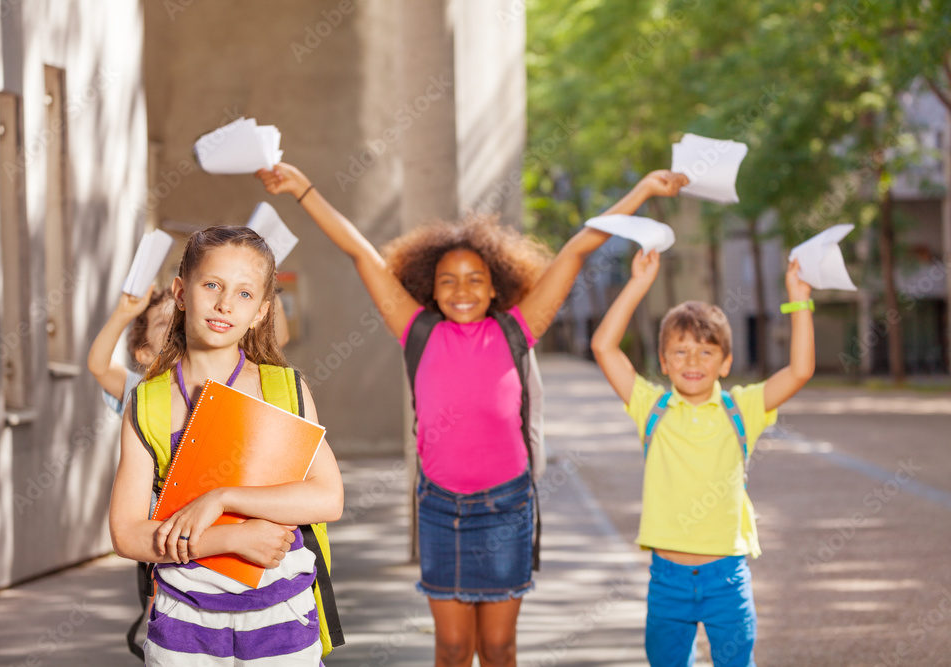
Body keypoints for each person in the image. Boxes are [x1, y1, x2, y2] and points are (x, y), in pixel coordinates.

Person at [258, 162, 688, 667]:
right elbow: (358, 250)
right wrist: (301, 188)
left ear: (494, 286)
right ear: (430, 288)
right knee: (455, 648)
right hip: (441, 509)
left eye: (474, 280)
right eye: (448, 281)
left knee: (500, 648)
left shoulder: (516, 330)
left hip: (508, 508)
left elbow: (578, 247)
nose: (462, 291)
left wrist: (639, 190)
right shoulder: (417, 331)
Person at [108, 226, 344, 665]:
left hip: (283, 618)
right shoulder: (148, 402)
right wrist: (233, 539)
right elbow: (126, 534)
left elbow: (328, 498)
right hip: (183, 624)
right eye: (212, 285)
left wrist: (223, 497)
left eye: (244, 294)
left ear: (260, 312)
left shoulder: (284, 389)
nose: (224, 304)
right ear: (181, 292)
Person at [590, 249, 815, 666]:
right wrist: (639, 282)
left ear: (726, 362)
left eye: (706, 351)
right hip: (667, 580)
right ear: (664, 361)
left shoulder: (742, 408)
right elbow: (603, 347)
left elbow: (800, 370)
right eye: (680, 351)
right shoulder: (650, 406)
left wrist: (798, 298)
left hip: (726, 578)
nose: (692, 361)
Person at [88, 285, 174, 415]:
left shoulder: (209, 381)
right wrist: (122, 314)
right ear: (146, 354)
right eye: (161, 323)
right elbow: (99, 367)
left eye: (178, 318)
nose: (173, 325)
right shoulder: (140, 390)